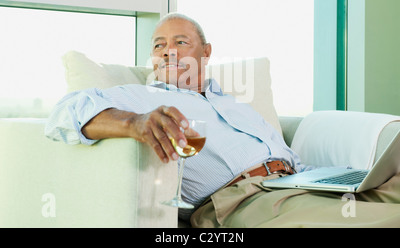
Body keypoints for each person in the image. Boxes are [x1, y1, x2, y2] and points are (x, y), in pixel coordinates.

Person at [46, 13, 400, 227]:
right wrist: (134, 124)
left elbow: (286, 155)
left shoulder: (234, 105)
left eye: (180, 41)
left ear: (206, 52)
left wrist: (330, 179)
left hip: (299, 183)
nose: (168, 50)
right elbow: (63, 113)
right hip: (243, 200)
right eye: (158, 45)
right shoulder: (142, 98)